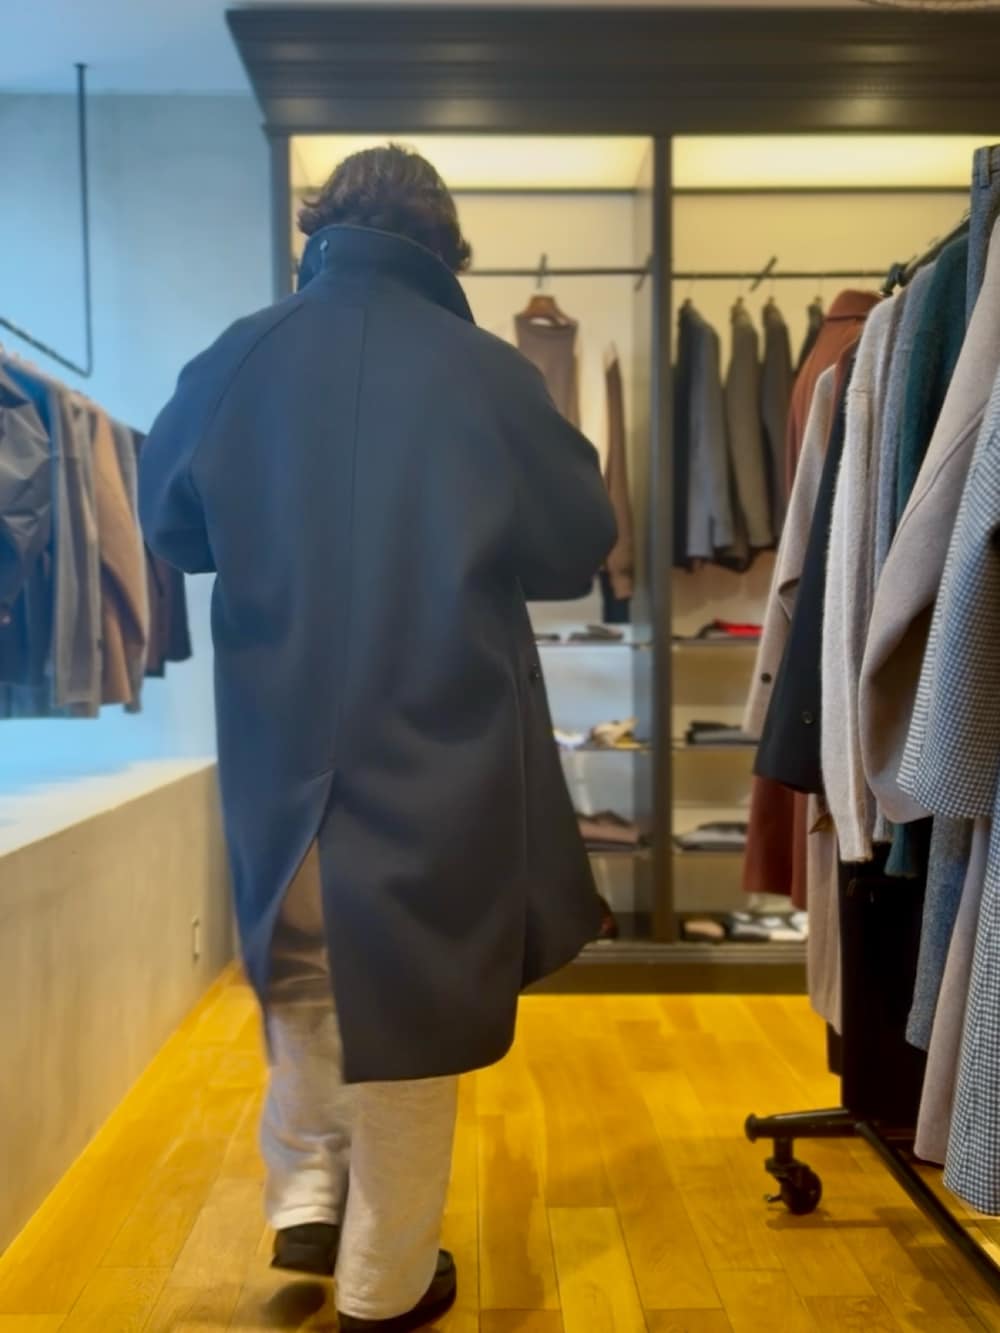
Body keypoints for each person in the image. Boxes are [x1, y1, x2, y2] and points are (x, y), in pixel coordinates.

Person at [139, 144, 616, 1331]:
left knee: (304, 970)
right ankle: (383, 1282)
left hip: (277, 750)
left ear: (318, 230)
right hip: (436, 748)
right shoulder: (488, 373)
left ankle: (308, 1192)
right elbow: (574, 546)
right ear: (444, 249)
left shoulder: (238, 356)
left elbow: (174, 528)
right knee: (416, 1008)